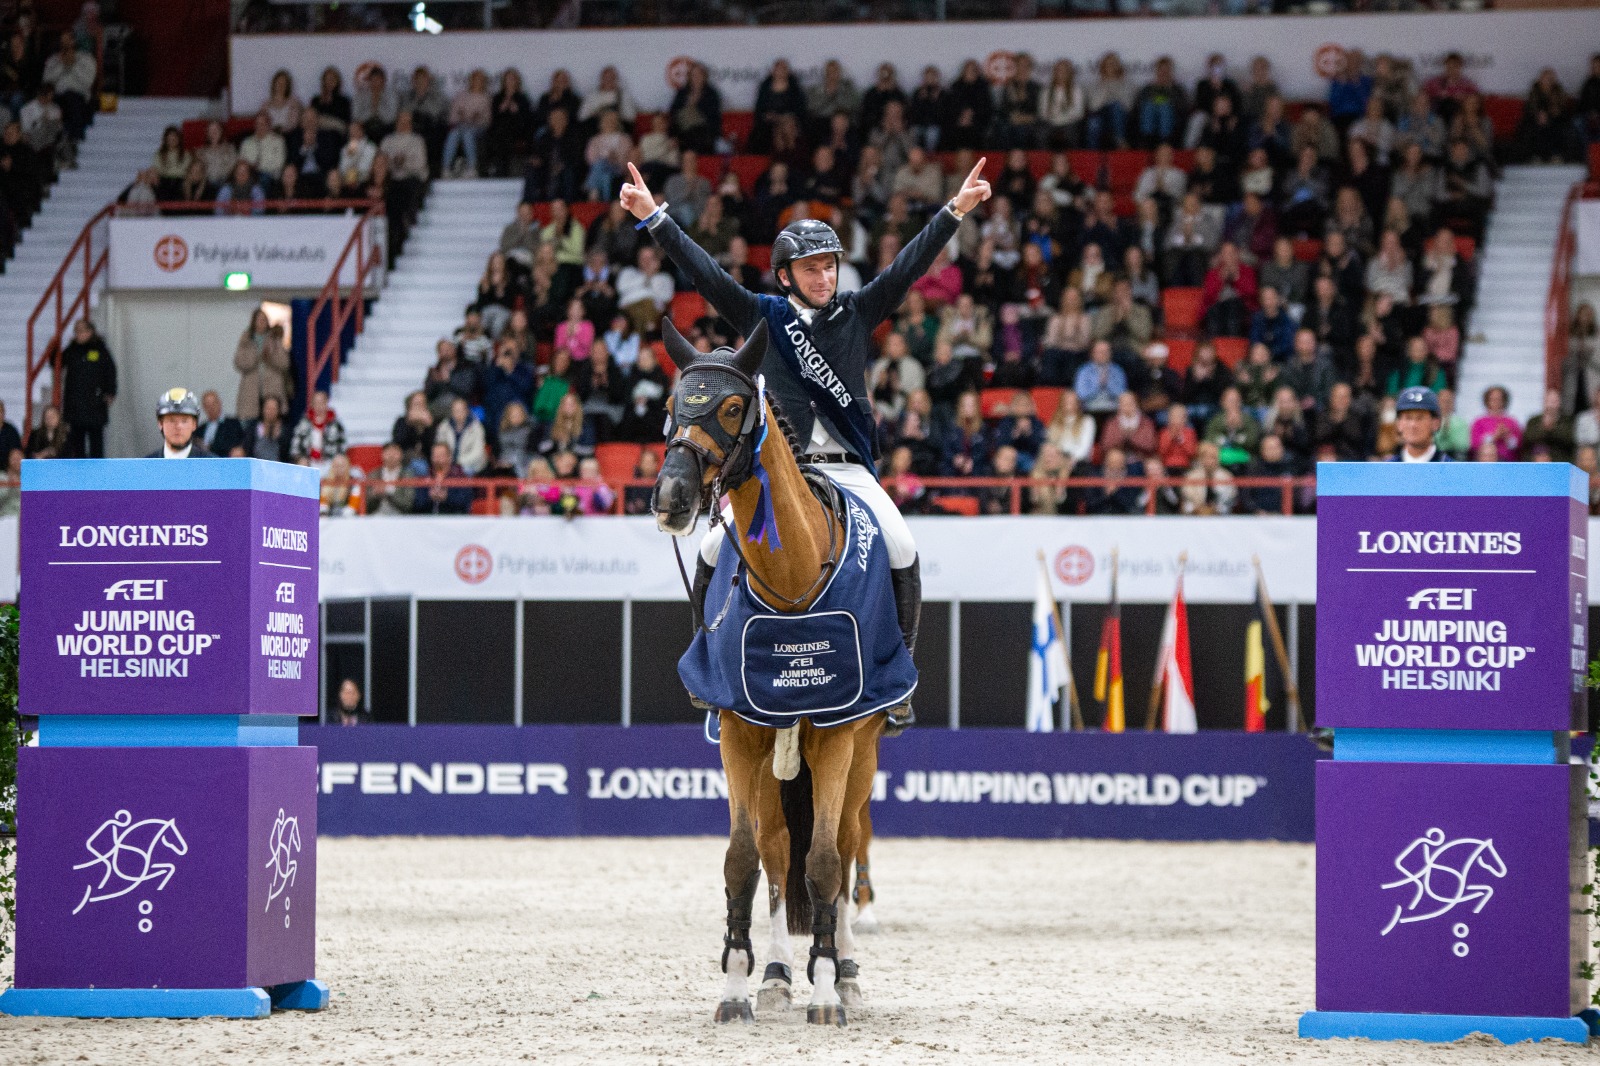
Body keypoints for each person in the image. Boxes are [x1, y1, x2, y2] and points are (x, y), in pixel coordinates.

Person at [621, 154, 991, 733]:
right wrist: (655, 218)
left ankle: (896, 680)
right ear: (786, 276)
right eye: (813, 269)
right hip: (778, 471)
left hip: (846, 469)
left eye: (830, 267)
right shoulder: (762, 314)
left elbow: (908, 267)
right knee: (708, 553)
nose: (826, 277)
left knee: (902, 546)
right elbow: (707, 276)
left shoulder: (857, 311)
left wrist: (954, 211)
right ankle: (711, 670)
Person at [60, 317, 115, 457]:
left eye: (82, 330)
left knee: (96, 443)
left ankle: (97, 474)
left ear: (91, 332)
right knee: (77, 444)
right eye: (77, 331)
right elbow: (57, 363)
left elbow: (110, 371)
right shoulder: (72, 350)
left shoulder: (100, 350)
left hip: (95, 404)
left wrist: (110, 392)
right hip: (75, 405)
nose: (79, 334)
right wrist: (53, 348)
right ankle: (80, 474)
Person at [234, 307, 291, 421]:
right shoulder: (246, 340)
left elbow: (285, 363)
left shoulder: (274, 339)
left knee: (273, 420)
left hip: (272, 390)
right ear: (253, 322)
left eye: (264, 319)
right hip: (251, 391)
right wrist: (256, 357)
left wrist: (270, 358)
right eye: (259, 319)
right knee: (251, 425)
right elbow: (239, 363)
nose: (262, 322)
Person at [145, 388, 214, 458]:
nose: (178, 426)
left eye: (184, 421)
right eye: (171, 420)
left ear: (194, 424)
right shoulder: (144, 466)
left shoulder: (212, 465)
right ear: (160, 423)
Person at [1387, 386, 1449, 462]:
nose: (1413, 425)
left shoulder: (1451, 468)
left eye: (1420, 418)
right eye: (1408, 418)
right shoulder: (1387, 469)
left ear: (1436, 423)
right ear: (1399, 424)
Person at [366, 441, 421, 515]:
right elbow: (366, 503)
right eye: (388, 453)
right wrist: (375, 494)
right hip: (376, 514)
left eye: (395, 453)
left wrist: (388, 492)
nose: (391, 456)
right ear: (382, 455)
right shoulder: (373, 474)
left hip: (399, 516)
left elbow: (408, 504)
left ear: (401, 455)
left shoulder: (407, 475)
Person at [196, 389, 245, 456]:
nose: (211, 408)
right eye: (207, 405)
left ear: (219, 403)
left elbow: (232, 446)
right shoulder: (200, 429)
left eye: (213, 403)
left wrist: (209, 447)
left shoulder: (232, 424)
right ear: (204, 407)